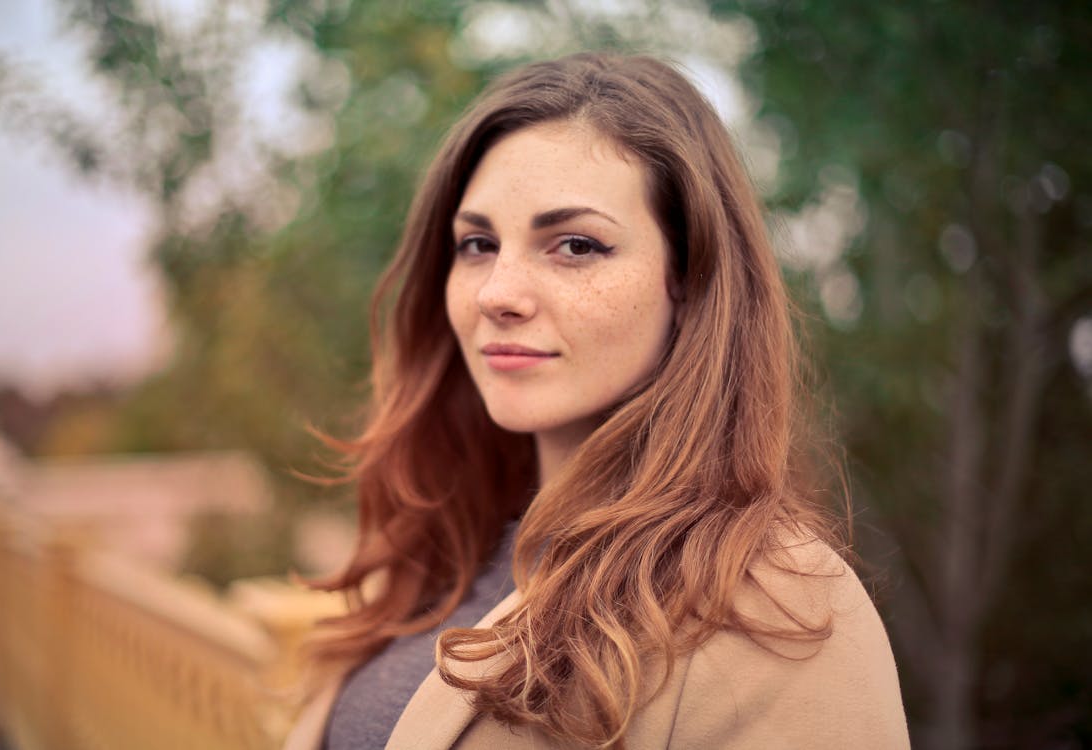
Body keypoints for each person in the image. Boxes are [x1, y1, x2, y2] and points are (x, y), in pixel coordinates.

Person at [285, 52, 909, 750]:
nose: (497, 293)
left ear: (689, 279)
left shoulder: (775, 605)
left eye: (575, 246)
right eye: (477, 244)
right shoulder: (442, 553)